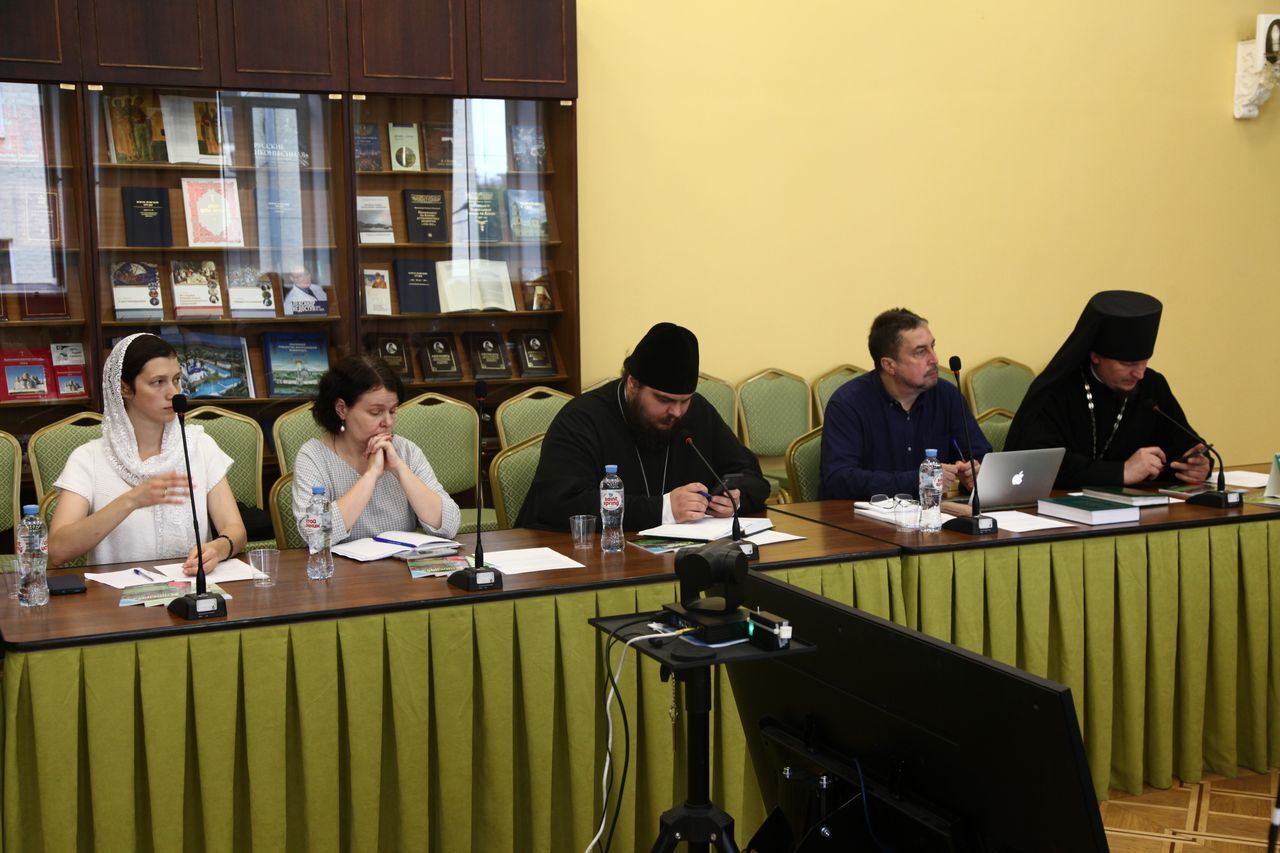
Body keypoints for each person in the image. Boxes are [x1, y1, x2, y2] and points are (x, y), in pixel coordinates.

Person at [517, 322, 770, 531]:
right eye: (664, 400)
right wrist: (663, 509)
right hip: (584, 556)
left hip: (672, 556)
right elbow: (562, 503)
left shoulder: (698, 412)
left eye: (684, 401)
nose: (676, 412)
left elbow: (751, 477)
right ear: (633, 385)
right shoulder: (582, 418)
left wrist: (735, 499)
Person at [48, 333, 247, 570]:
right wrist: (131, 500)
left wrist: (219, 548)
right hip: (117, 591)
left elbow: (236, 530)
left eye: (176, 380)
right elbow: (58, 550)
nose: (173, 393)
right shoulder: (88, 458)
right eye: (158, 382)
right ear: (125, 388)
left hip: (191, 585)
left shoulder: (199, 445)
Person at [1004, 290, 1210, 488]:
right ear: (1095, 356)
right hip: (1060, 505)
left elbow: (1185, 445)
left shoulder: (1152, 386)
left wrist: (1198, 465)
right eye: (1128, 364)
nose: (1139, 374)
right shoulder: (1057, 390)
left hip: (1142, 505)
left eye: (1144, 362)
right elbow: (1036, 463)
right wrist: (1121, 472)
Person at [820, 308, 990, 501]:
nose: (934, 359)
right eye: (920, 352)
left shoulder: (947, 396)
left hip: (934, 514)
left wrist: (974, 474)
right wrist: (918, 480)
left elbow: (981, 456)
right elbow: (838, 480)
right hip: (864, 516)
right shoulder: (847, 404)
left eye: (933, 346)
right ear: (889, 365)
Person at [292, 355, 461, 544]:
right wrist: (371, 475)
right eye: (375, 412)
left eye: (392, 411)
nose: (388, 422)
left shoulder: (405, 451)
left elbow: (449, 526)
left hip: (401, 561)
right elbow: (315, 536)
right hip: (341, 564)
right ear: (342, 409)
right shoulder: (313, 456)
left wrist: (399, 468)